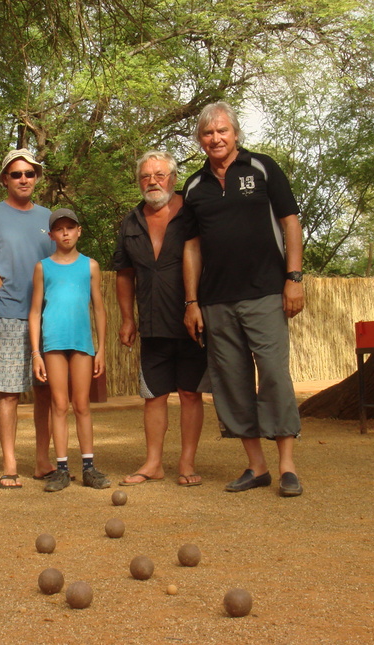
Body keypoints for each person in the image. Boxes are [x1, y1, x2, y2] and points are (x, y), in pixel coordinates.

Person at [182, 101, 305, 497]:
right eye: (207, 133)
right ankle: (256, 466)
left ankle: (287, 467)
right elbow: (191, 249)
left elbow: (290, 224)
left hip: (267, 292)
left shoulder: (262, 168)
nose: (215, 138)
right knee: (231, 383)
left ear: (235, 133)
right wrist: (191, 302)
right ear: (200, 140)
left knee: (273, 373)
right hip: (216, 301)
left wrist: (294, 278)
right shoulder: (194, 186)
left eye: (222, 131)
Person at [113, 150, 208, 487]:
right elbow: (124, 274)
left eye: (159, 174)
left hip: (190, 320)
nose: (152, 181)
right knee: (153, 395)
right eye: (145, 176)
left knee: (189, 393)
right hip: (152, 324)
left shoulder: (193, 213)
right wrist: (127, 318)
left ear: (173, 179)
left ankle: (186, 463)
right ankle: (153, 463)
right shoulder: (130, 221)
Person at [0, 148, 55, 489]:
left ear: (37, 178)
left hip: (48, 316)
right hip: (9, 313)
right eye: (16, 174)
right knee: (8, 392)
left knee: (46, 390)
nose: (24, 179)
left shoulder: (50, 218)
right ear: (4, 179)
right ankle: (9, 464)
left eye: (30, 174)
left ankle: (41, 460)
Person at [29, 208, 109, 492]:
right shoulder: (43, 267)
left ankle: (89, 467)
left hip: (82, 344)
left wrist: (101, 349)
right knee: (59, 405)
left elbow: (99, 308)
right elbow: (35, 311)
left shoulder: (90, 266)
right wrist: (36, 353)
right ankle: (61, 468)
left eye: (70, 227)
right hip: (53, 344)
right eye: (59, 229)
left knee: (83, 405)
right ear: (51, 235)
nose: (65, 233)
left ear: (78, 231)